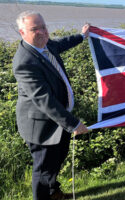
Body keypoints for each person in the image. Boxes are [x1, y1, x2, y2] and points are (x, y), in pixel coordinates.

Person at [13, 10, 90, 199]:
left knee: (56, 161)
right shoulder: (25, 62)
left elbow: (62, 43)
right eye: (34, 29)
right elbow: (43, 100)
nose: (42, 32)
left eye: (43, 27)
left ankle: (53, 192)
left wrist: (82, 36)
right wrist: (73, 123)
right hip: (42, 126)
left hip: (58, 121)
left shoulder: (46, 45)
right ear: (22, 33)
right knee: (43, 169)